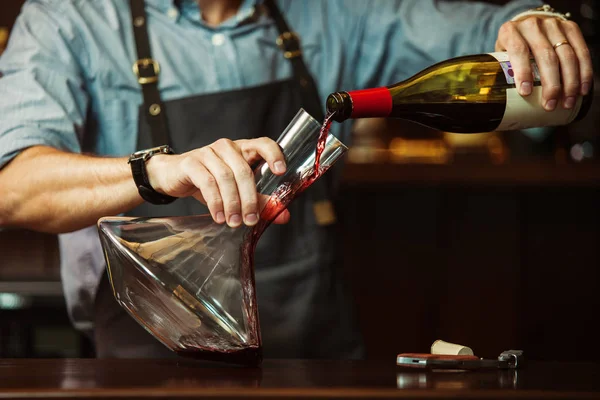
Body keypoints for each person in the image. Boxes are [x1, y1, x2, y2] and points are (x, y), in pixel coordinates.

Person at [0, 0, 593, 359]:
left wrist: (534, 21)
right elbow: (12, 186)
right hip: (145, 361)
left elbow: (487, 33)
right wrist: (158, 170)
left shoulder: (330, 12)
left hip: (317, 355)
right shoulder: (70, 19)